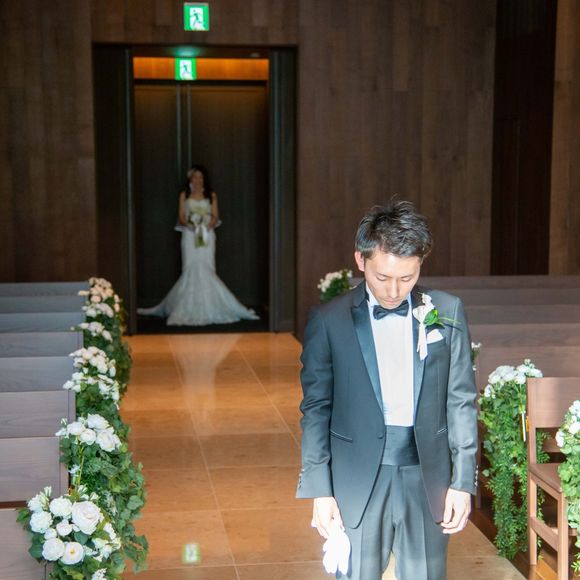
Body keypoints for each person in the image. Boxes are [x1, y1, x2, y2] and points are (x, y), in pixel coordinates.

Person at [296, 201, 478, 580]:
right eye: (382, 277)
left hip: (427, 476)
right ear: (360, 260)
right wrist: (320, 490)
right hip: (356, 478)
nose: (394, 291)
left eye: (407, 278)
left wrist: (463, 482)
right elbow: (316, 410)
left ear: (420, 265)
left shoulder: (446, 311)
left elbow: (460, 401)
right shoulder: (329, 321)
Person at [138, 165, 259, 326]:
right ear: (191, 179)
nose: (198, 180)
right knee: (190, 267)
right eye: (195, 177)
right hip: (190, 235)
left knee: (206, 267)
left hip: (207, 235)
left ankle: (212, 306)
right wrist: (193, 225)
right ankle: (186, 307)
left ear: (204, 179)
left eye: (200, 177)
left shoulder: (211, 195)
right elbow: (181, 216)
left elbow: (215, 216)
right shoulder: (184, 195)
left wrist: (205, 226)